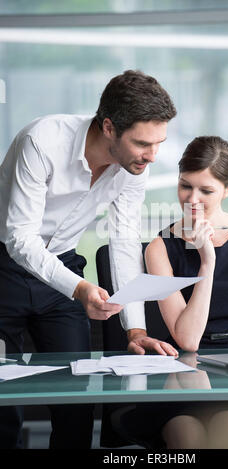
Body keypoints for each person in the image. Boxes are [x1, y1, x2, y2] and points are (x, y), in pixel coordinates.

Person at [0, 70, 178, 449]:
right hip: (4, 269)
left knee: (77, 404)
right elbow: (20, 239)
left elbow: (124, 243)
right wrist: (79, 288)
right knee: (3, 408)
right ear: (110, 127)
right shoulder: (42, 141)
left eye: (159, 143)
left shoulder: (134, 168)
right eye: (143, 143)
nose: (152, 155)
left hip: (61, 269)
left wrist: (135, 330)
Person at [108, 135, 228, 449]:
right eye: (185, 185)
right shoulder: (161, 248)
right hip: (186, 370)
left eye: (206, 190)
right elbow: (188, 339)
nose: (192, 199)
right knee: (185, 433)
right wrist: (207, 262)